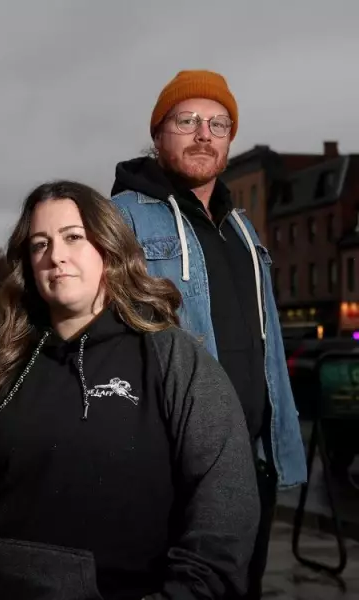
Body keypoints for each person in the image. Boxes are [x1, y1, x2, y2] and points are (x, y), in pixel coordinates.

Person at [0, 181, 260, 600]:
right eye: (39, 244)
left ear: (108, 246)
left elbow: (225, 518)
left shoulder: (171, 359)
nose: (56, 256)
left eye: (73, 237)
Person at [110, 70, 307, 599]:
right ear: (158, 135)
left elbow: (268, 345)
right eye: (187, 120)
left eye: (218, 124)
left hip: (249, 465)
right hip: (171, 468)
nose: (204, 133)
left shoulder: (242, 228)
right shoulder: (118, 221)